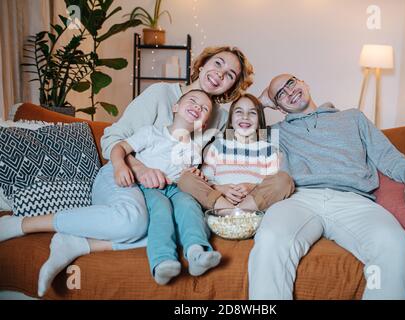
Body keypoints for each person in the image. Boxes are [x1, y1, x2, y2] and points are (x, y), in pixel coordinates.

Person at [0, 46, 254, 297]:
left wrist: (216, 184)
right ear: (203, 63)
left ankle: (79, 244)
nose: (220, 74)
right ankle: (23, 224)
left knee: (182, 225)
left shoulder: (218, 118)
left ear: (232, 86)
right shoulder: (161, 95)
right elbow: (113, 140)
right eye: (218, 63)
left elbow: (213, 159)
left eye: (230, 74)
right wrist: (139, 168)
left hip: (167, 189)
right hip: (125, 176)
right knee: (134, 220)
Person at [249, 74, 405, 300]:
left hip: (354, 201)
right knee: (271, 238)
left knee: (395, 245)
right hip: (298, 199)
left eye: (290, 83)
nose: (289, 92)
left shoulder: (353, 118)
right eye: (280, 94)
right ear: (278, 107)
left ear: (304, 82)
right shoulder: (275, 132)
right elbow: (230, 134)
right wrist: (259, 103)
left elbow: (388, 157)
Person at [111, 89, 221, 285]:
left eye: (204, 108)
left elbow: (187, 176)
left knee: (189, 205)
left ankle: (197, 252)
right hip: (148, 187)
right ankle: (163, 261)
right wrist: (120, 166)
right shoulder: (151, 133)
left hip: (176, 188)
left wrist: (196, 175)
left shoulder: (194, 149)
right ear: (175, 107)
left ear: (203, 124)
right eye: (193, 101)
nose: (197, 107)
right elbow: (119, 147)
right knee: (161, 209)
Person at [178, 93, 295, 211]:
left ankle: (240, 214)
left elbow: (269, 183)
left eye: (252, 113)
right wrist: (221, 189)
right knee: (186, 178)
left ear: (259, 121)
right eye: (239, 112)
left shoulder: (268, 150)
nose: (245, 116)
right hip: (220, 202)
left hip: (251, 203)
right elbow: (206, 180)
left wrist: (252, 187)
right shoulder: (218, 145)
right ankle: (230, 212)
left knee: (284, 180)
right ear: (231, 120)